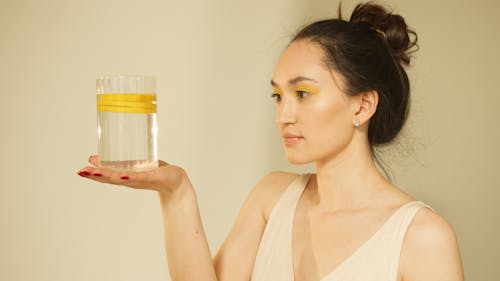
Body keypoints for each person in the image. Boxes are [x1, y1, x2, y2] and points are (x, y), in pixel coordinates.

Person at [78, 2, 464, 281]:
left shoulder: (422, 237)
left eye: (304, 94)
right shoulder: (271, 198)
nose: (283, 115)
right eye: (278, 96)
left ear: (362, 105)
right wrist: (176, 192)